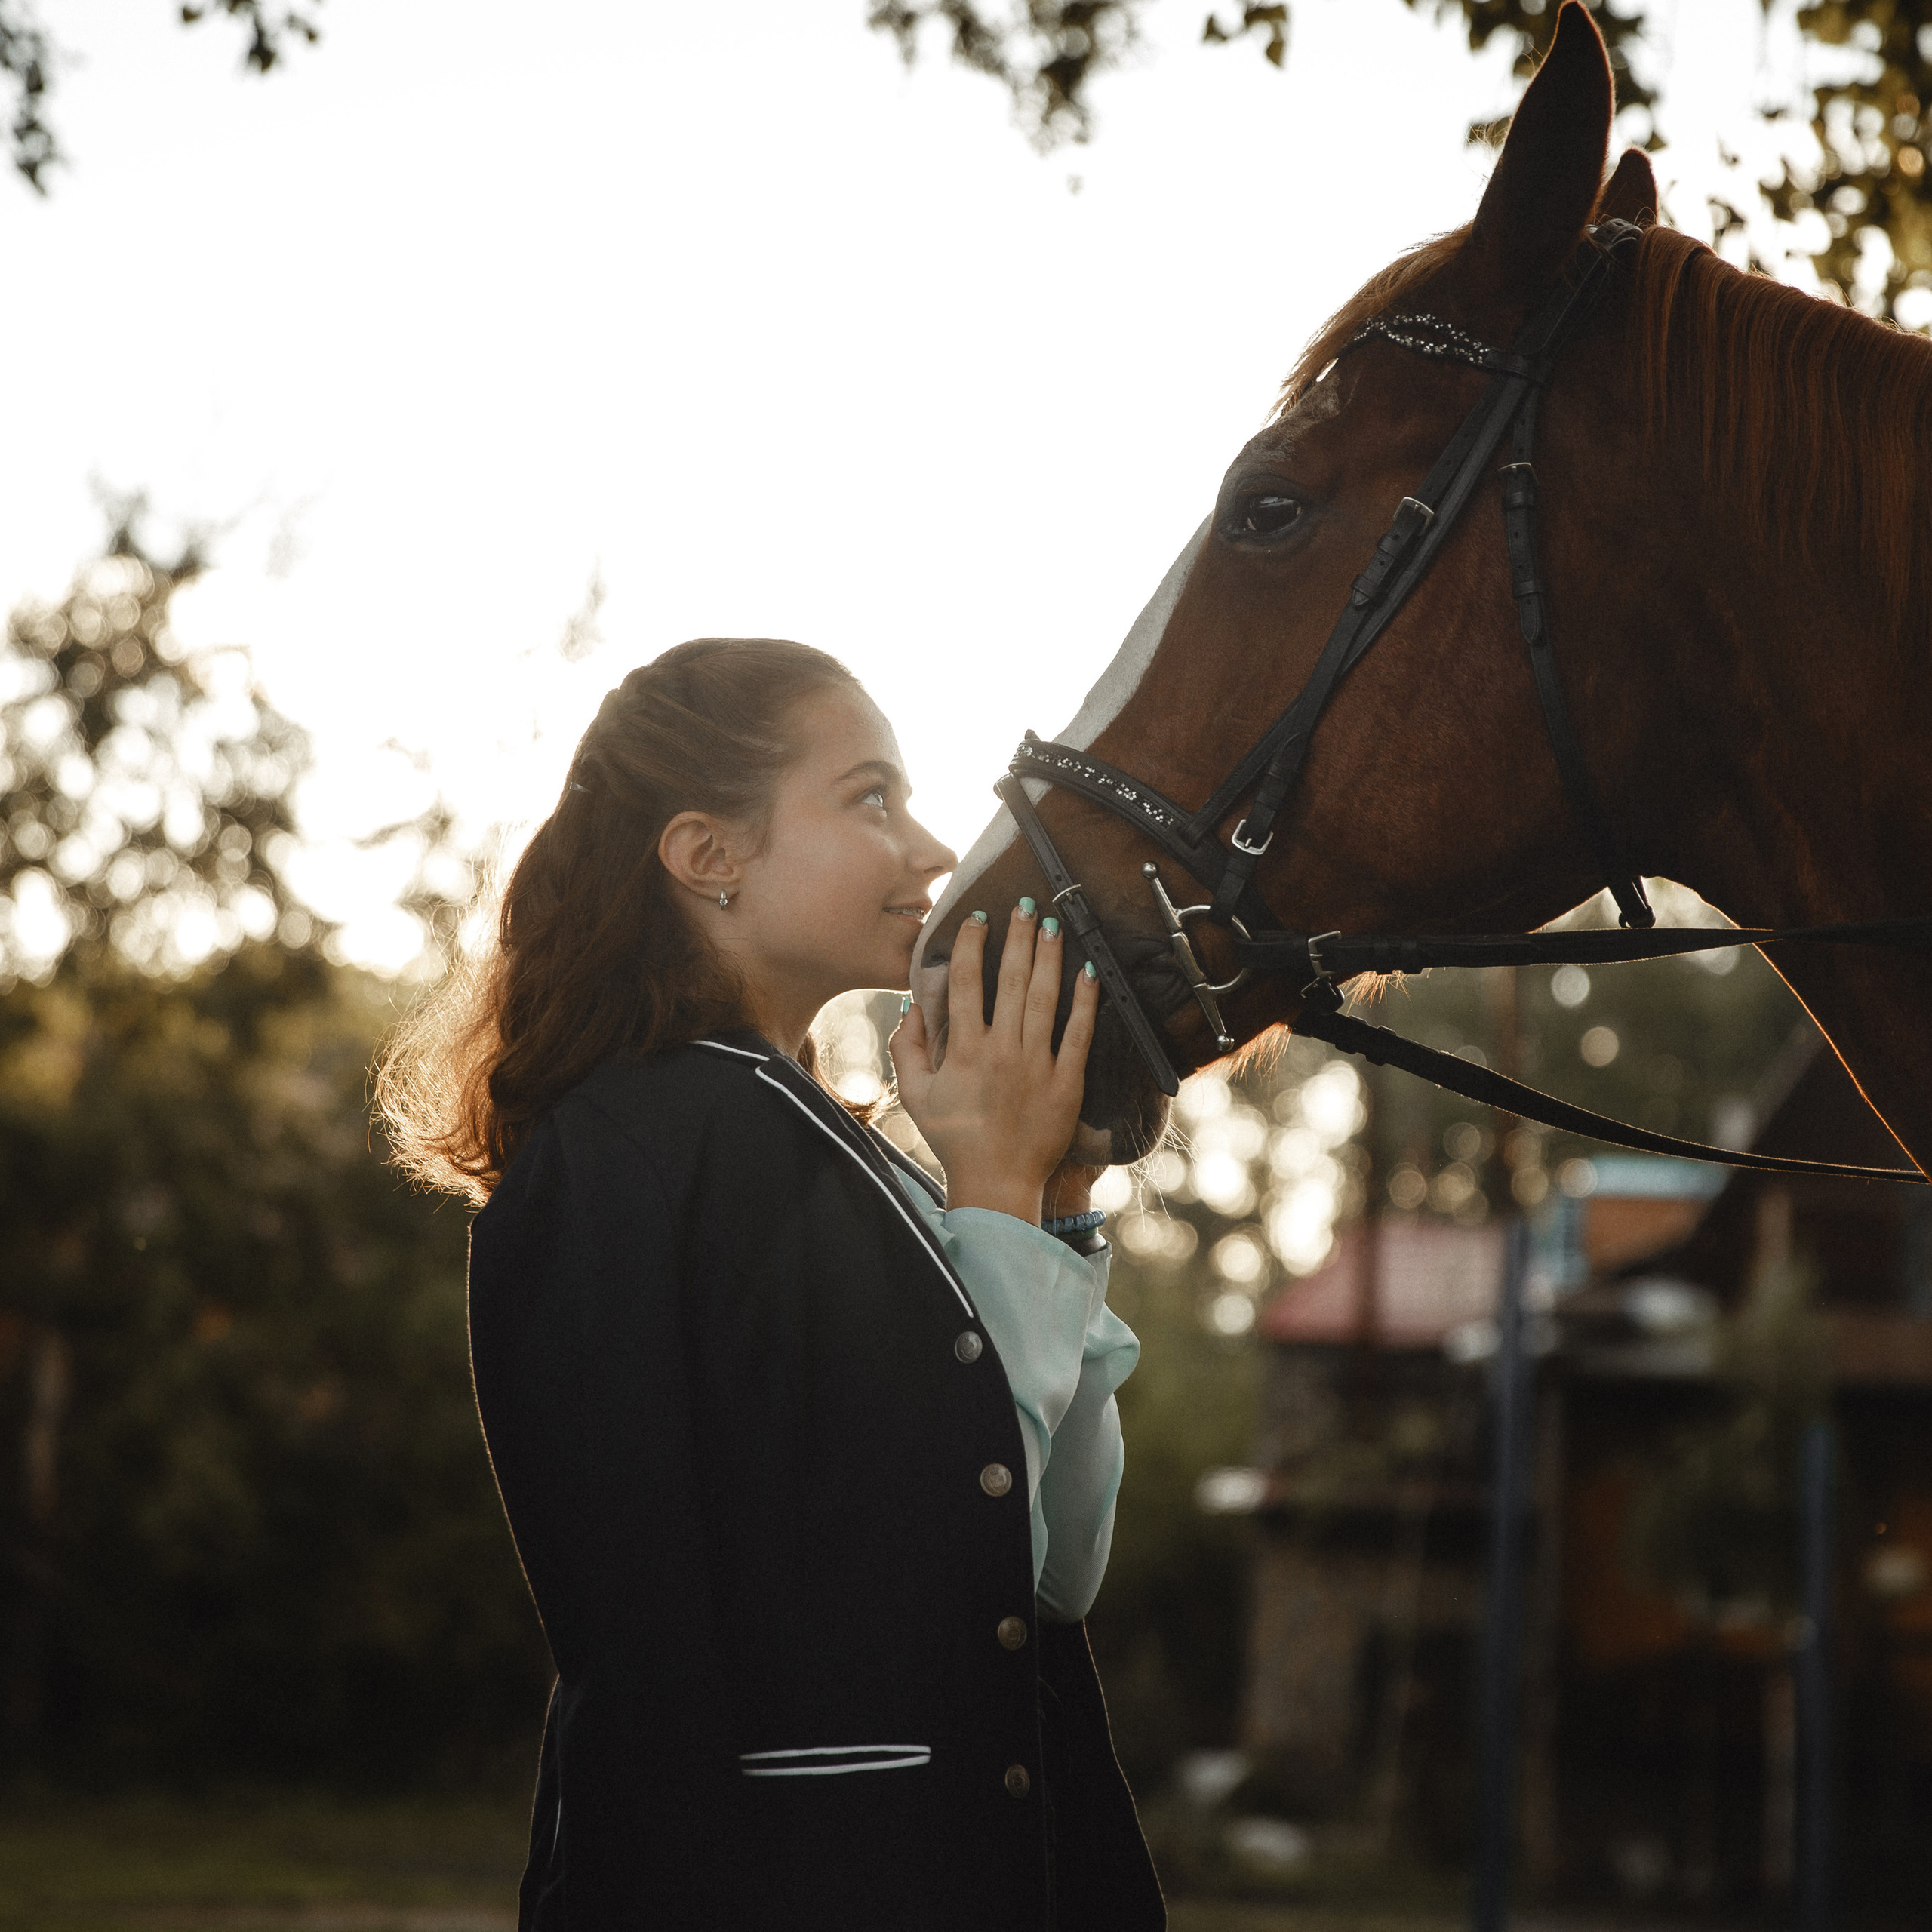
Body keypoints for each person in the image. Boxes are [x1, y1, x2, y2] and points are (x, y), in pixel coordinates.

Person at [377, 638, 1165, 1930]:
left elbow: (1055, 1570)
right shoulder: (618, 1156)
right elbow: (923, 1563)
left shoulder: (856, 1157)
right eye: (871, 797)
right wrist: (996, 1188)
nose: (928, 851)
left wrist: (1051, 1205)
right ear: (708, 856)